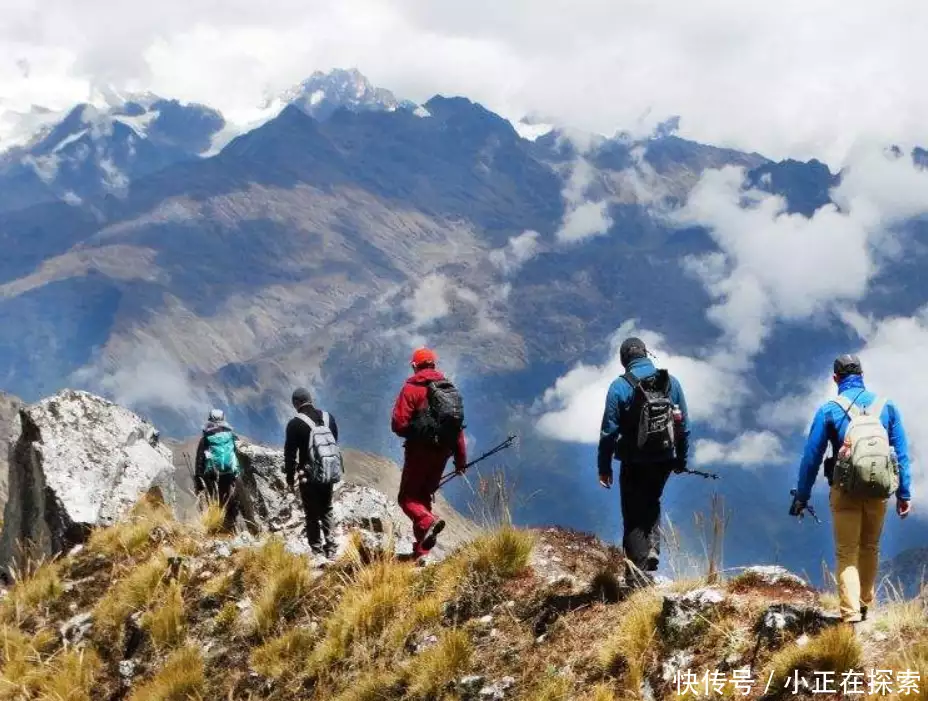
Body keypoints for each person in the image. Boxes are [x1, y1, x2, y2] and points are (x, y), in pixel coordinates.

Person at [791, 354, 912, 625]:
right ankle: (865, 604)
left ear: (836, 379)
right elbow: (901, 454)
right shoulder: (887, 407)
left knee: (847, 551)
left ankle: (850, 614)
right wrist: (904, 493)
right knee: (870, 546)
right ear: (862, 375)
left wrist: (802, 495)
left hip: (844, 489)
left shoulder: (829, 409)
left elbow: (811, 457)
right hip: (879, 491)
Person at [597, 337, 690, 585]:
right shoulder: (671, 383)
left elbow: (609, 432)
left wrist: (604, 467)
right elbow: (684, 427)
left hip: (634, 460)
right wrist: (681, 459)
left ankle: (636, 576)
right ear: (646, 354)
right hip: (664, 460)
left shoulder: (620, 387)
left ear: (624, 359)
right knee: (652, 500)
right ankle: (652, 549)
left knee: (632, 514)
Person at [391, 347, 467, 562]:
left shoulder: (411, 388)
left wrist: (414, 432)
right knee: (423, 497)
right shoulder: (448, 389)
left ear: (414, 366)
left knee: (407, 498)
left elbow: (398, 424)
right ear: (433, 364)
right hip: (442, 453)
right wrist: (460, 461)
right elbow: (458, 429)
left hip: (419, 451)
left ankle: (428, 522)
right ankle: (421, 554)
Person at [284, 387, 341, 561]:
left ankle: (317, 551)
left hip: (307, 474)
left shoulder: (295, 424)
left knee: (311, 513)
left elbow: (290, 454)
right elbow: (334, 441)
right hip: (327, 470)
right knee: (327, 508)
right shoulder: (328, 417)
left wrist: (289, 476)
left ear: (296, 403)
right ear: (310, 399)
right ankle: (331, 548)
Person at [194, 409, 241, 532]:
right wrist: (237, 474)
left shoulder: (206, 438)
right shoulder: (231, 436)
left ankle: (214, 528)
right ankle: (230, 528)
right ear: (224, 419)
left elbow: (200, 460)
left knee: (212, 500)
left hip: (211, 474)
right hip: (229, 473)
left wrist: (198, 479)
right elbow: (237, 455)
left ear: (209, 419)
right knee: (228, 500)